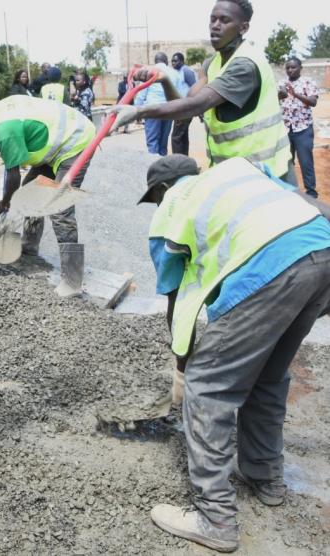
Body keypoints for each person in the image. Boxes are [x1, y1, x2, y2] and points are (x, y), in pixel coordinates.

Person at [140, 154, 330, 552]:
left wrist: (182, 371)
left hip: (272, 269)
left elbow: (178, 301)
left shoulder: (170, 212)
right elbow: (305, 203)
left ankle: (215, 520)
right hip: (321, 250)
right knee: (268, 375)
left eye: (154, 197)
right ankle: (266, 479)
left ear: (160, 190)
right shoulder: (237, 169)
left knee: (208, 387)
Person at [113, 0, 294, 182]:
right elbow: (186, 107)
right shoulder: (212, 64)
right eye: (213, 19)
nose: (215, 25)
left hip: (268, 173)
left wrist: (138, 112)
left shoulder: (245, 65)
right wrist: (164, 79)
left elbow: (196, 105)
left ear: (243, 28)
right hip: (233, 173)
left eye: (224, 20)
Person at [0, 97, 96, 291]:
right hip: (55, 143)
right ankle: (29, 250)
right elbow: (12, 173)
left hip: (76, 142)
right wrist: (9, 200)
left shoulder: (6, 132)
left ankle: (72, 277)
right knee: (29, 191)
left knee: (59, 209)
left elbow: (12, 175)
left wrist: (5, 202)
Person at [279, 57, 319, 198]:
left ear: (300, 68)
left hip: (303, 129)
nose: (290, 70)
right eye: (288, 68)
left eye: (293, 67)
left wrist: (295, 94)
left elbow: (313, 102)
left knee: (306, 162)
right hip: (285, 129)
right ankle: (288, 192)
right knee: (286, 162)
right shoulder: (282, 83)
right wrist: (280, 94)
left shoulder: (308, 82)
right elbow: (277, 98)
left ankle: (311, 193)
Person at [133, 52, 174, 155]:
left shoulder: (149, 72)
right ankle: (163, 167)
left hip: (152, 110)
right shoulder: (172, 72)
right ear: (166, 62)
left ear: (155, 61)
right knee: (163, 143)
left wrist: (136, 112)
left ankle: (154, 166)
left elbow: (141, 93)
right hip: (168, 109)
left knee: (152, 142)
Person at [169, 52, 197, 155]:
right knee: (183, 135)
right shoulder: (178, 72)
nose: (173, 63)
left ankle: (178, 163)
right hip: (181, 108)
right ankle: (184, 161)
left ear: (182, 61)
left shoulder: (186, 71)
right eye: (172, 61)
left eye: (175, 61)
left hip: (185, 109)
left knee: (176, 137)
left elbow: (195, 88)